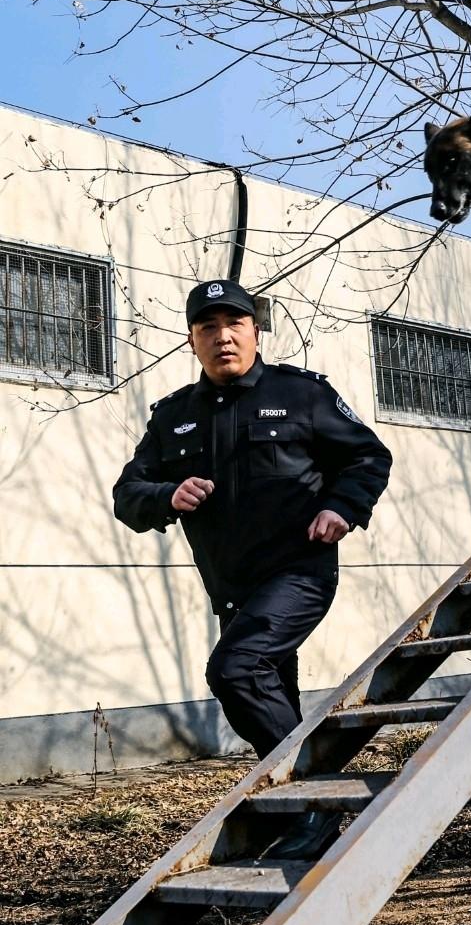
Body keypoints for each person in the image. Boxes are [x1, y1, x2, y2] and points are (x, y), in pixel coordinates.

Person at [113, 278, 392, 858]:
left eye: (234, 324)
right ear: (192, 341)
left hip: (300, 571)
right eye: (208, 328)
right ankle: (300, 820)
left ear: (255, 331)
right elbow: (128, 493)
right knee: (269, 695)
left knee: (236, 670)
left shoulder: (302, 394)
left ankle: (315, 804)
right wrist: (167, 495)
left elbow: (368, 455)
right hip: (233, 588)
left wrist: (342, 507)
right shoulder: (174, 417)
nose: (223, 337)